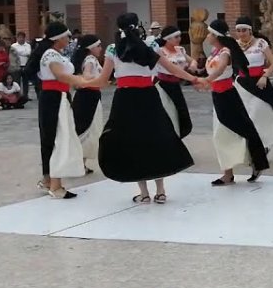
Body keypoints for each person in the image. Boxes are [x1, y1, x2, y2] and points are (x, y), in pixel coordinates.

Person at [85, 14, 204, 204]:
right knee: (156, 138)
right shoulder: (150, 47)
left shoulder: (113, 49)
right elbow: (172, 69)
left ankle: (144, 192)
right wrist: (195, 79)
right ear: (138, 26)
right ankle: (161, 190)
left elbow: (102, 80)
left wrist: (77, 82)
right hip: (148, 96)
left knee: (131, 142)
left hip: (125, 99)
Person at [22, 21, 91, 200]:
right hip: (53, 97)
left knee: (55, 136)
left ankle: (49, 179)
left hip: (58, 96)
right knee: (55, 137)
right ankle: (55, 184)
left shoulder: (55, 53)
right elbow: (61, 76)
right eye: (67, 36)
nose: (69, 39)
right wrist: (84, 81)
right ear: (58, 38)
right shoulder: (50, 54)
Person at [203, 19, 271, 186]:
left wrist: (205, 80)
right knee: (222, 135)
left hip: (227, 95)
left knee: (232, 132)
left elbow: (220, 69)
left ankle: (253, 162)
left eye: (209, 33)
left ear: (215, 35)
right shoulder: (214, 51)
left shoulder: (225, 51)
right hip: (217, 95)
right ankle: (229, 173)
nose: (207, 35)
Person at [234, 16, 273, 145]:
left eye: (244, 30)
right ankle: (247, 144)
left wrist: (265, 76)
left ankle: (265, 142)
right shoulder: (234, 45)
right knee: (244, 115)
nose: (241, 33)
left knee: (264, 111)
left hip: (260, 82)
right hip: (242, 83)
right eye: (238, 31)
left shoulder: (261, 43)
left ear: (250, 30)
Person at [70, 34, 105, 173]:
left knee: (86, 128)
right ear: (91, 48)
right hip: (88, 96)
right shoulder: (90, 59)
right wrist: (101, 78)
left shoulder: (91, 59)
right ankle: (78, 163)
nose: (101, 49)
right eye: (98, 46)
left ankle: (80, 163)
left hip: (90, 95)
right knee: (86, 128)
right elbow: (87, 75)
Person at [155, 25, 196, 136]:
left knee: (182, 114)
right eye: (176, 37)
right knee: (169, 113)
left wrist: (192, 66)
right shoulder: (160, 52)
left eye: (179, 36)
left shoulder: (180, 50)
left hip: (176, 85)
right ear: (167, 39)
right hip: (163, 86)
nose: (179, 39)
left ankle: (178, 137)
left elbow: (193, 61)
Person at [10, 32, 33, 101]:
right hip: (17, 65)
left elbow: (29, 53)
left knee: (25, 82)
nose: (21, 39)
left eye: (22, 37)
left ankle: (25, 95)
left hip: (25, 65)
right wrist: (23, 53)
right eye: (19, 37)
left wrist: (19, 52)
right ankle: (17, 96)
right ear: (17, 38)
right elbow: (13, 54)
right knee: (17, 81)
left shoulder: (28, 45)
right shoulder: (13, 45)